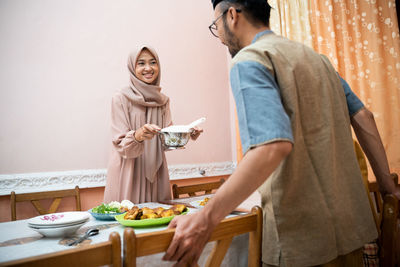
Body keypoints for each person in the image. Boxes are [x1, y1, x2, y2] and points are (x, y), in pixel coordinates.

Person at [162, 1, 400, 266]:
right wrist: (390, 190)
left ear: (231, 15)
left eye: (215, 25)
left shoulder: (250, 60)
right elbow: (363, 117)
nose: (218, 37)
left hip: (300, 240)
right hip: (349, 233)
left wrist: (205, 219)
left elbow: (271, 147)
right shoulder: (318, 60)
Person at [104, 46, 202, 204]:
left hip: (156, 173)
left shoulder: (163, 101)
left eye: (153, 62)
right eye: (141, 63)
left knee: (159, 219)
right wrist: (138, 135)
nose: (148, 68)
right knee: (129, 220)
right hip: (129, 171)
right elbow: (120, 144)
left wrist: (186, 133)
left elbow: (166, 140)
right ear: (132, 67)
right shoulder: (121, 98)